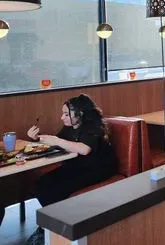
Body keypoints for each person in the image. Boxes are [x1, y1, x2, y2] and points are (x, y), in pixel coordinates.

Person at [25, 94, 117, 245]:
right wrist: (36, 138)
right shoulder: (69, 127)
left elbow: (84, 149)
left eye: (66, 114)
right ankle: (52, 225)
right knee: (41, 184)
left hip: (97, 168)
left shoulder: (93, 127)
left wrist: (57, 141)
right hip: (77, 166)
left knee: (55, 190)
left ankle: (53, 228)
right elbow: (57, 142)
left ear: (80, 113)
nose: (62, 118)